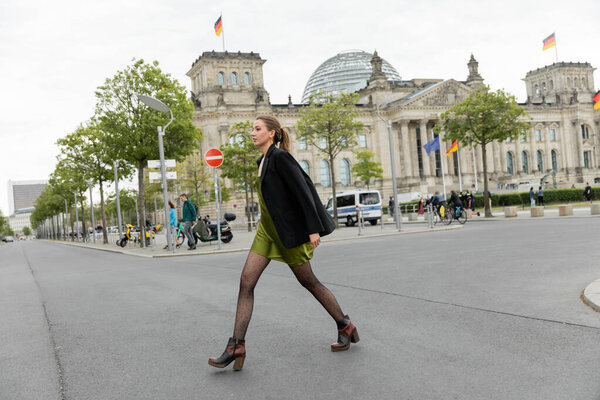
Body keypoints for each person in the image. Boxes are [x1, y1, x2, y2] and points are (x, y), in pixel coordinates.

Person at [208, 115, 357, 371]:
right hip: (266, 231)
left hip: (287, 232)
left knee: (308, 281)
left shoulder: (280, 158)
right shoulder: (262, 160)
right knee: (246, 282)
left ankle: (345, 324)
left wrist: (312, 229)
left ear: (272, 133)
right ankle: (236, 346)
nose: (252, 133)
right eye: (252, 129)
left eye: (257, 129)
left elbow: (303, 190)